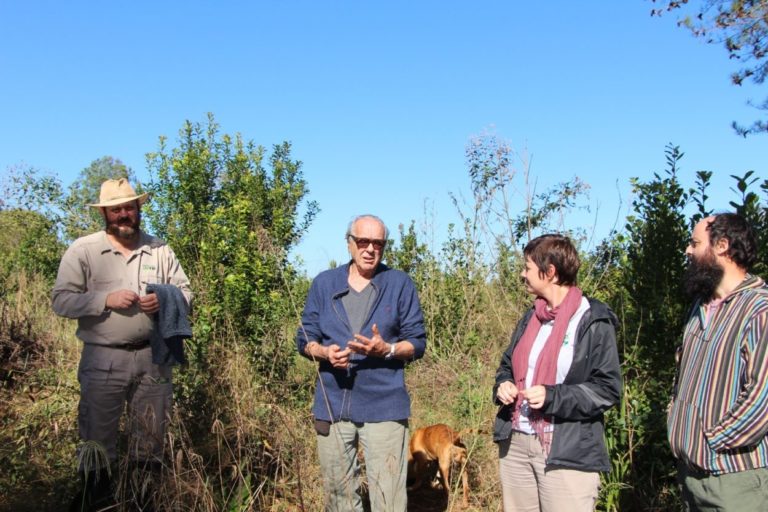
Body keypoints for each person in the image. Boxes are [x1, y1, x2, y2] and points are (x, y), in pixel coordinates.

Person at [52, 178, 192, 509]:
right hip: (103, 359)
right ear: (104, 213)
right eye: (116, 210)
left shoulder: (160, 249)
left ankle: (144, 501)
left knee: (151, 439)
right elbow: (61, 301)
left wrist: (166, 301)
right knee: (96, 440)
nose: (123, 214)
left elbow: (186, 292)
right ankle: (94, 502)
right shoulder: (84, 250)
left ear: (138, 209)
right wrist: (104, 299)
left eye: (129, 207)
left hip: (153, 358)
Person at [297, 214, 427, 512]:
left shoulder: (399, 283)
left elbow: (417, 342)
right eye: (363, 241)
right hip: (333, 403)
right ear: (349, 244)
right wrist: (324, 352)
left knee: (389, 495)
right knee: (339, 495)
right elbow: (305, 337)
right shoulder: (324, 283)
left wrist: (388, 349)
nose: (370, 249)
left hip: (384, 405)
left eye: (378, 243)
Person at [493, 234, 621, 512]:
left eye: (527, 267)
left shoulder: (592, 319)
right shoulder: (532, 317)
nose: (522, 274)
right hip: (516, 441)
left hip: (566, 450)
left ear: (549, 272)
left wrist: (553, 397)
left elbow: (607, 389)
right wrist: (503, 384)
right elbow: (507, 365)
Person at [668, 213, 768, 511]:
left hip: (736, 479)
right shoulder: (700, 306)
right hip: (691, 475)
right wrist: (676, 421)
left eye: (695, 242)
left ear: (722, 246)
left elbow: (762, 398)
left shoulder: (759, 309)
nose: (688, 250)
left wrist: (711, 439)